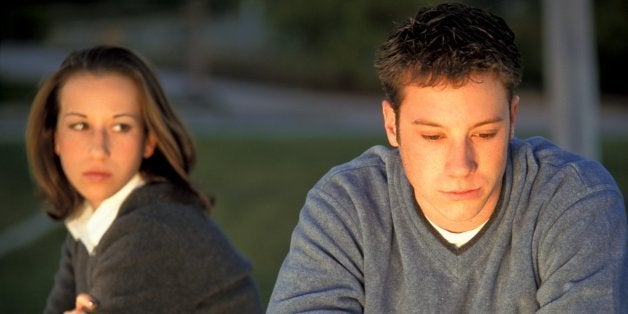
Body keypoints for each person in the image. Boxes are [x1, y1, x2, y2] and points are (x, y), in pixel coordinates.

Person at [268, 3, 627, 313]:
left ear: (513, 118)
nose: (461, 166)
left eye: (484, 134)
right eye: (433, 136)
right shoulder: (348, 206)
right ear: (392, 125)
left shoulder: (574, 199)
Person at [26, 45, 263, 313]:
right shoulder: (88, 224)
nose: (98, 150)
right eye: (80, 125)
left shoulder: (148, 232)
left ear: (148, 141)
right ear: (55, 137)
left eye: (120, 127)